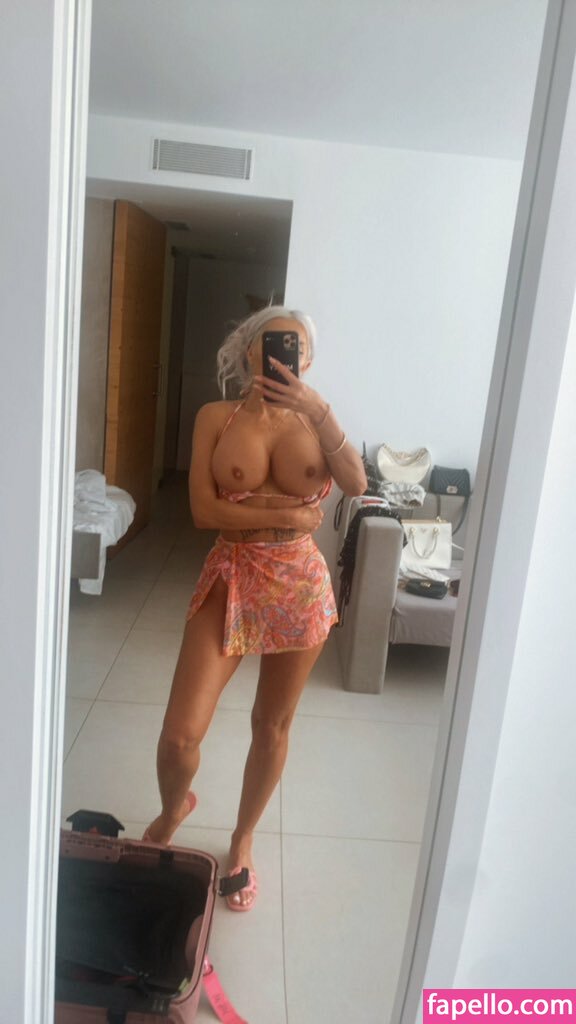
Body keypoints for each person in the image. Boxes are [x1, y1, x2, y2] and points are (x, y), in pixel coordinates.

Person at [143, 306, 367, 910]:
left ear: (308, 359)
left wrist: (319, 409)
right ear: (249, 350)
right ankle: (174, 807)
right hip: (231, 576)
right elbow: (204, 511)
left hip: (299, 585)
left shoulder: (317, 421)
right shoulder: (216, 417)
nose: (283, 356)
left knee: (272, 725)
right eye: (272, 344)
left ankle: (242, 839)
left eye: (295, 348)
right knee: (179, 737)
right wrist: (289, 513)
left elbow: (357, 483)